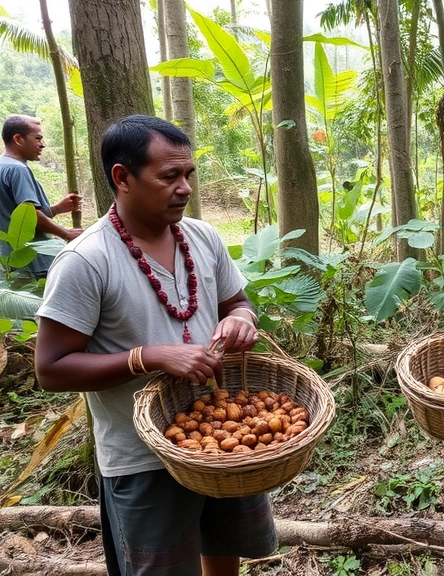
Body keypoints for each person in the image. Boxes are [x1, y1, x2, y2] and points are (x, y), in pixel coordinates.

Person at [34, 115, 276, 576]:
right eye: (169, 176)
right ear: (122, 178)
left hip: (221, 440)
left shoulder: (202, 238)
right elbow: (50, 369)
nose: (184, 188)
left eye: (188, 175)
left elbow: (237, 301)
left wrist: (241, 320)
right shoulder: (86, 261)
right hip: (142, 457)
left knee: (224, 548)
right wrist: (147, 356)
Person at [0, 115, 82, 278]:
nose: (42, 144)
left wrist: (57, 209)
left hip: (8, 262)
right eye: (37, 138)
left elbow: (14, 214)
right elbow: (31, 215)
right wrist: (66, 233)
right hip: (31, 262)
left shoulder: (3, 166)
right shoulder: (19, 170)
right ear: (18, 139)